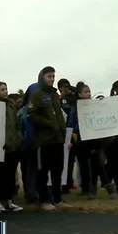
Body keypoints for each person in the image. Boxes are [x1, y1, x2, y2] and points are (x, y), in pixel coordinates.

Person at [67, 82, 117, 199]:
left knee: (97, 164)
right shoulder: (76, 108)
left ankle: (108, 188)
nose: (88, 94)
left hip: (94, 139)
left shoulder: (95, 105)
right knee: (84, 165)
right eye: (85, 92)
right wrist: (69, 139)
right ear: (79, 94)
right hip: (80, 139)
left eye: (89, 91)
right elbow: (70, 124)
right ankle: (87, 189)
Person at [29, 66, 68, 211]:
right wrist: (49, 123)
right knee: (43, 171)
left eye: (53, 76)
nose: (52, 79)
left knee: (58, 170)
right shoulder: (37, 94)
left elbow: (59, 115)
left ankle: (57, 199)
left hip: (58, 139)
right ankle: (44, 200)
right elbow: (32, 115)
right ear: (42, 77)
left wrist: (62, 130)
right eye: (49, 76)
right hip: (44, 140)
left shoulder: (54, 95)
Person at [0, 82, 23, 212]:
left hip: (13, 146)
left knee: (10, 174)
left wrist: (19, 138)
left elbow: (16, 124)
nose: (5, 91)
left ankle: (9, 200)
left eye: (6, 89)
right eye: (2, 89)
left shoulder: (11, 105)